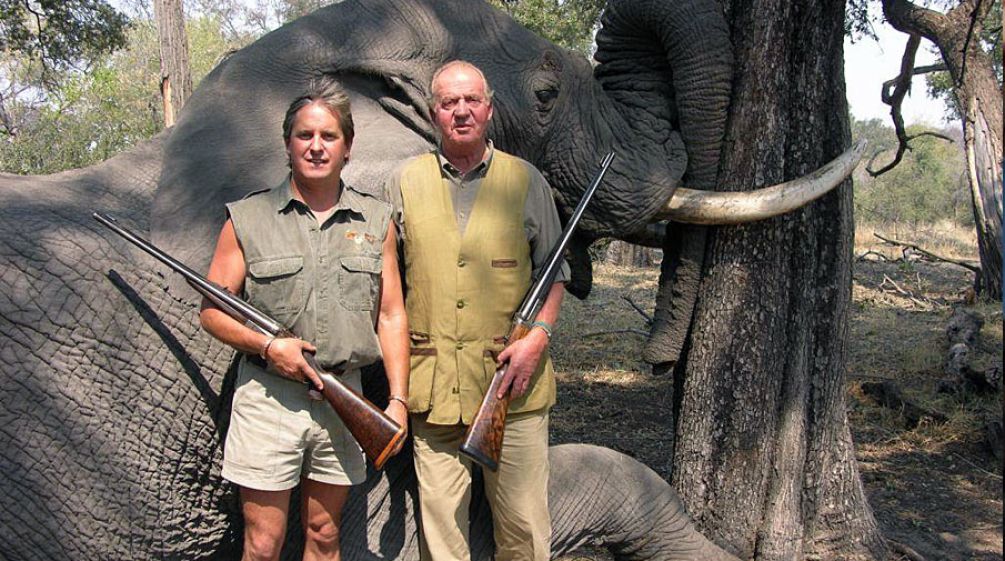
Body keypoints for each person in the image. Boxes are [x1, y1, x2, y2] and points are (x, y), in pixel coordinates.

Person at [200, 79, 409, 561]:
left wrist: (397, 400)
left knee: (323, 534)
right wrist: (270, 348)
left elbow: (392, 314)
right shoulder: (247, 218)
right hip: (269, 398)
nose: (316, 146)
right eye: (305, 135)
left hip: (345, 398)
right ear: (288, 143)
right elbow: (212, 311)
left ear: (348, 147)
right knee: (263, 543)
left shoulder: (376, 221)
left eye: (329, 136)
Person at [385, 60, 569, 561]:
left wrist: (538, 338)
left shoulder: (526, 181)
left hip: (514, 386)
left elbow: (555, 276)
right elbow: (387, 290)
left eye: (471, 101)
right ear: (433, 113)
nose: (461, 111)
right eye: (449, 103)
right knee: (441, 536)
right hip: (434, 388)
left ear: (488, 109)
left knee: (524, 531)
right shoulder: (403, 182)